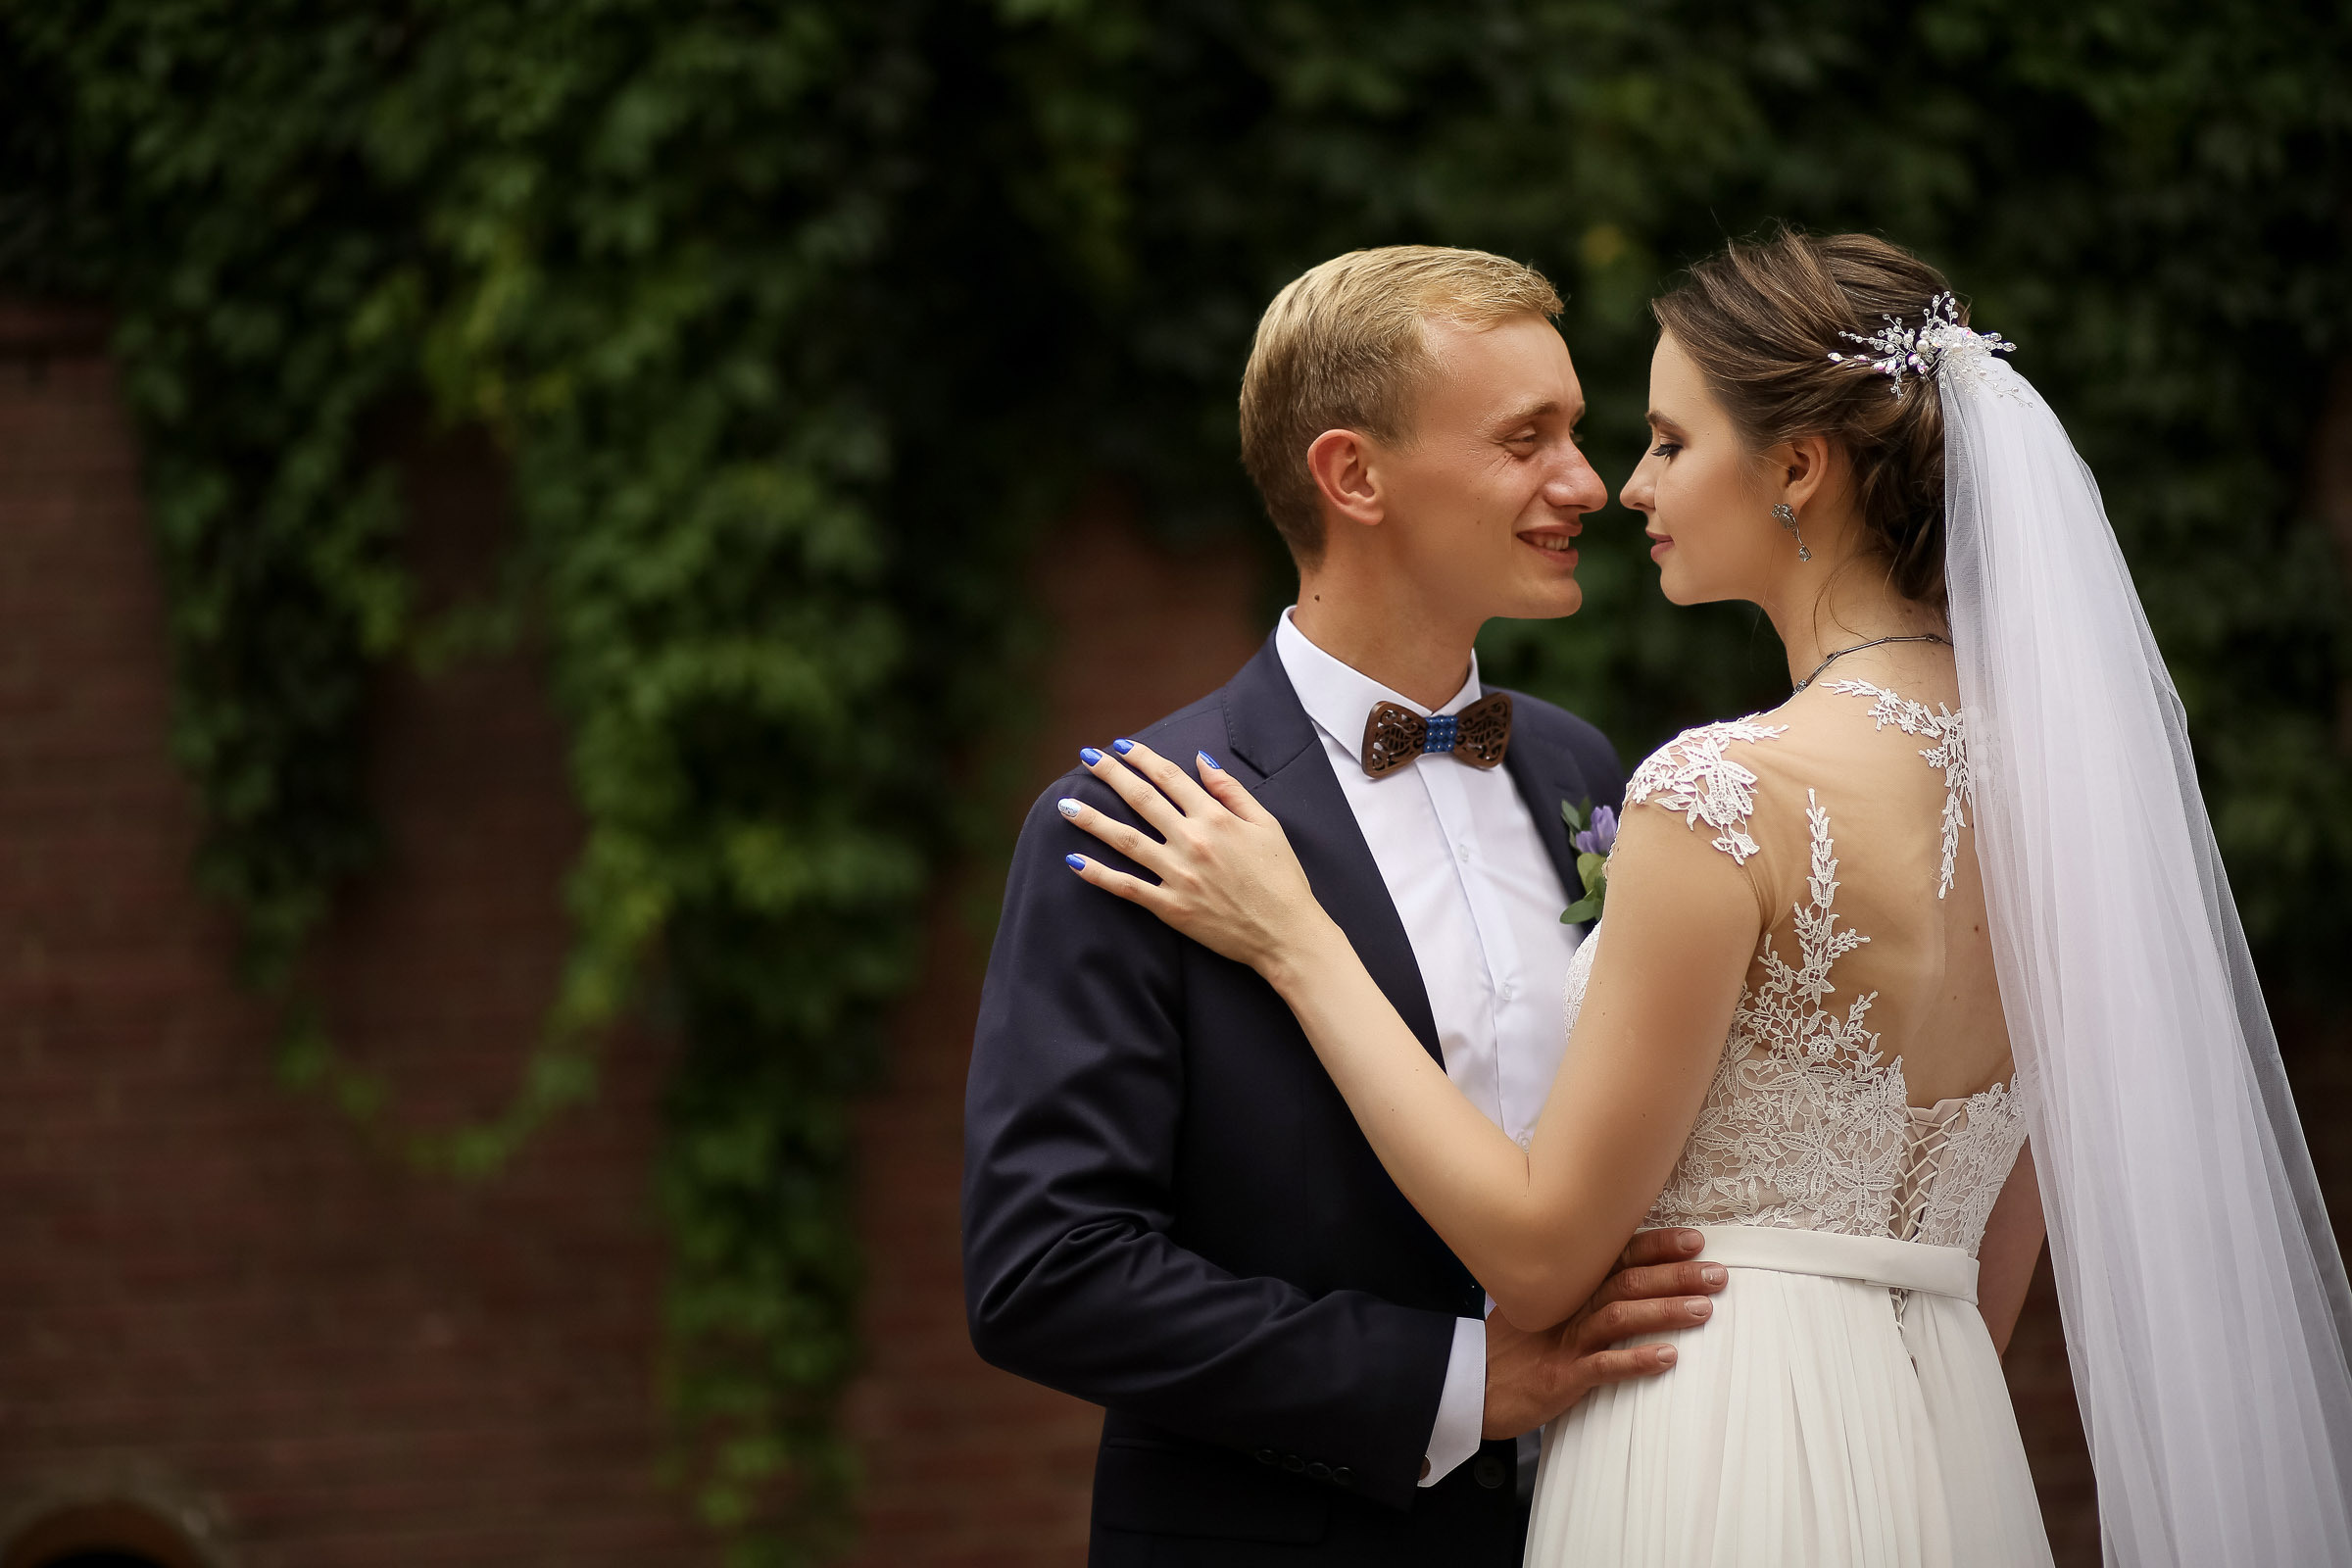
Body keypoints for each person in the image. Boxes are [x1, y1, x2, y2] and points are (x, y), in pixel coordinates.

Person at [1055, 230, 2352, 1566]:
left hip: (1712, 1451)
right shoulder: (2067, 795)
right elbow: (1991, 1256)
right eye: (1544, 438)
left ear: (1797, 466)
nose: (1618, 484)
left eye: (1666, 441)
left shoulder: (1719, 785)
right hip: (1939, 1437)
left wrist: (1299, 946)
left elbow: (1546, 1256)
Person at [962, 246, 1731, 1567]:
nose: (1588, 485)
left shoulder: (1582, 771)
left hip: (1605, 1517)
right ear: (1352, 475)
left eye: (1580, 433)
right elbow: (1049, 1272)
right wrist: (1452, 1384)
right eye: (1525, 439)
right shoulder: (1135, 824)